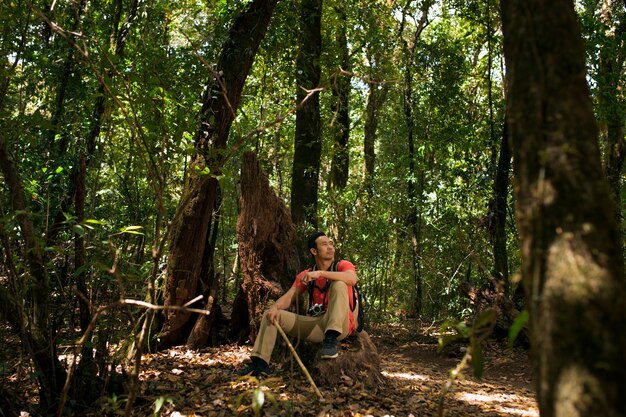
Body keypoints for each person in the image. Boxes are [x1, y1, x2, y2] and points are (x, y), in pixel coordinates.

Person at [237, 231, 360, 377]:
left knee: (339, 284)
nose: (330, 247)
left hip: (342, 324)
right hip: (319, 324)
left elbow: (352, 279)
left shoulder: (342, 265)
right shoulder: (306, 274)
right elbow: (289, 297)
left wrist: (320, 274)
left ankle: (331, 339)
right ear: (314, 251)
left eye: (331, 244)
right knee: (271, 314)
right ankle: (260, 364)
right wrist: (275, 307)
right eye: (324, 244)